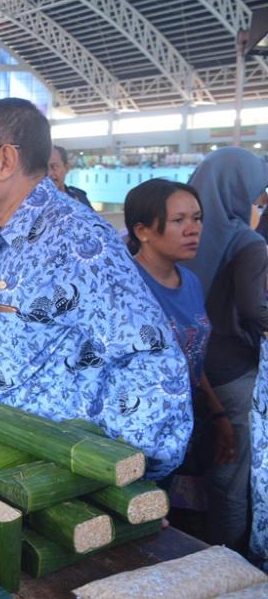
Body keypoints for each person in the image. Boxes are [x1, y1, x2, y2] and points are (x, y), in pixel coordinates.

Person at [0, 98, 191, 480]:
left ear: (5, 160)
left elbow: (153, 364)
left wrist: (123, 483)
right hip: (6, 465)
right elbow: (29, 344)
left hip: (57, 482)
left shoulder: (76, 242)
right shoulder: (7, 239)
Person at [125, 178, 235, 510]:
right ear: (143, 231)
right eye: (179, 220)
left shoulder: (191, 282)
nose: (193, 229)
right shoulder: (127, 289)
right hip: (138, 436)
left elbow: (191, 357)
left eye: (197, 218)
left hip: (185, 423)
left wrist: (218, 415)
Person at [182, 147, 268, 551]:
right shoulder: (246, 242)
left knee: (192, 461)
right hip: (232, 371)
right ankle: (227, 562)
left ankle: (187, 545)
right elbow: (255, 309)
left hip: (187, 368)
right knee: (229, 475)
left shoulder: (178, 234)